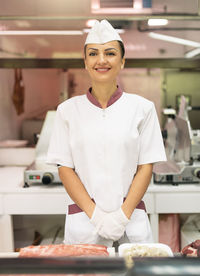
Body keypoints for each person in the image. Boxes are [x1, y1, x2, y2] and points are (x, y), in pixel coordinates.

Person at [46, 20, 166, 247]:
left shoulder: (142, 108)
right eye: (93, 54)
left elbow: (145, 166)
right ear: (85, 62)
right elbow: (65, 168)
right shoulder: (67, 111)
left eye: (110, 53)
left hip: (131, 223)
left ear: (122, 61)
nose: (101, 60)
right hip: (85, 222)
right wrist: (97, 217)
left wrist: (122, 216)